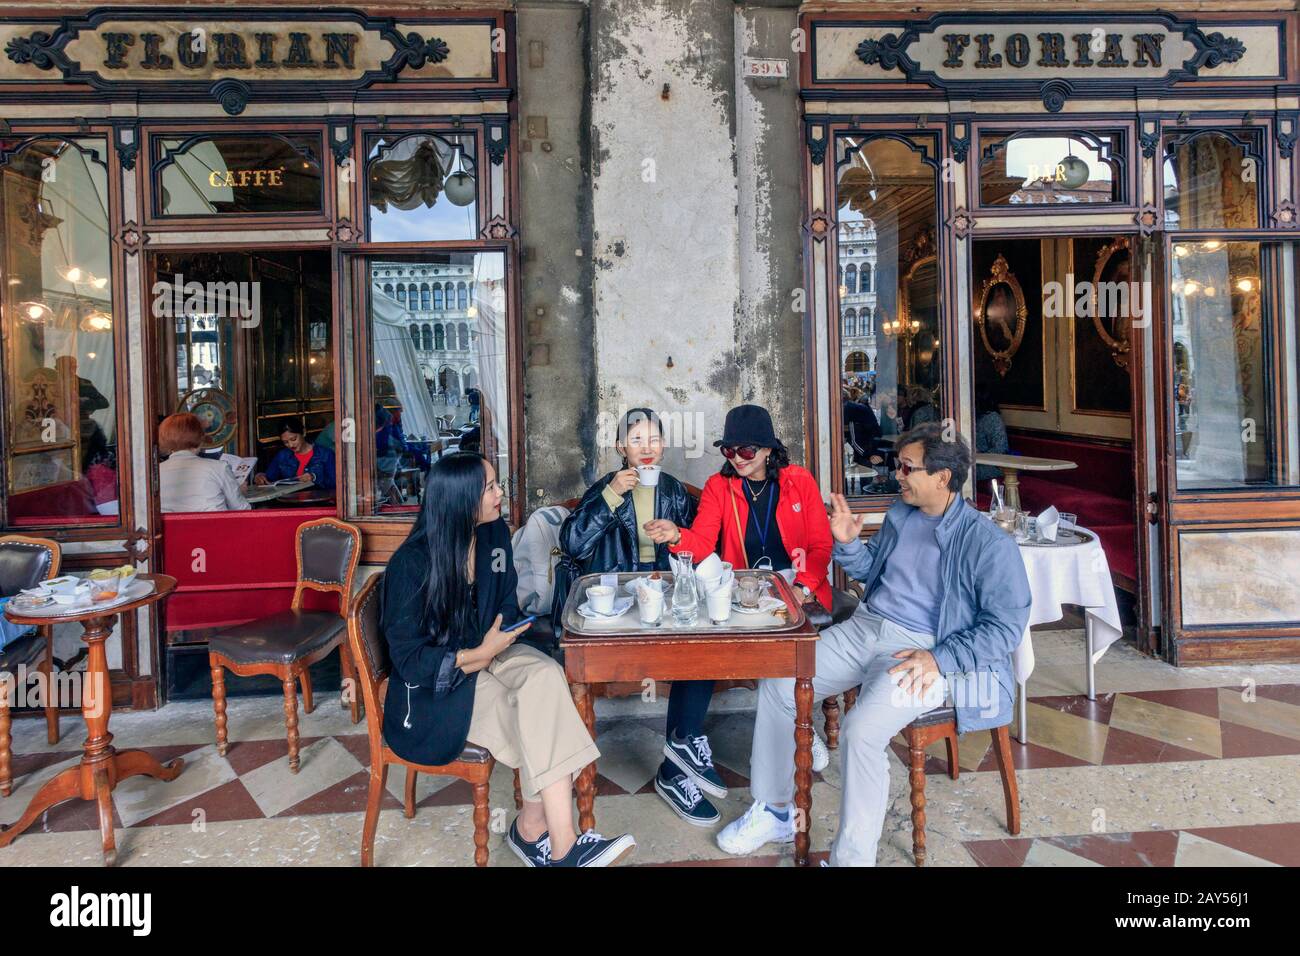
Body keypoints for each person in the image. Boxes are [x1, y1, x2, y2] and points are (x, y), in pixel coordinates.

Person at [715, 423, 1031, 865]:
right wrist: (846, 544)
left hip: (924, 652)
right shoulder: (902, 514)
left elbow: (1005, 627)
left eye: (907, 468)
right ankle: (775, 810)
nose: (897, 475)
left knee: (861, 732)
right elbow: (872, 573)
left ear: (942, 477)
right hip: (867, 627)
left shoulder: (987, 542)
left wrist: (941, 659)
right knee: (779, 683)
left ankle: (851, 861)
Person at [382, 452, 636, 867]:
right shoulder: (411, 565)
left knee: (547, 678)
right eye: (490, 488)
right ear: (461, 500)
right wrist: (475, 656)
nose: (501, 493)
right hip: (438, 685)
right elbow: (410, 660)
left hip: (492, 650)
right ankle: (563, 845)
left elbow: (505, 601)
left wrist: (499, 641)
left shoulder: (493, 534)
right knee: (530, 712)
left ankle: (532, 828)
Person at [644, 404, 836, 774]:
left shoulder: (799, 481)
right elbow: (702, 541)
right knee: (707, 646)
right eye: (729, 451)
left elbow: (820, 546)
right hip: (744, 586)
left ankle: (797, 727)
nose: (737, 458)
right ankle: (685, 749)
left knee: (780, 647)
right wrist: (676, 536)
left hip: (795, 582)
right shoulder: (721, 486)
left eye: (746, 451)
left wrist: (803, 587)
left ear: (768, 450)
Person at [557, 409, 712, 825]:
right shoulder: (604, 489)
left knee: (699, 656)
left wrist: (677, 537)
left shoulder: (675, 492)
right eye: (636, 440)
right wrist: (610, 496)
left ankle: (678, 766)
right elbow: (571, 543)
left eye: (653, 439)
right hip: (619, 607)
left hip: (663, 600)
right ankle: (570, 768)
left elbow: (700, 549)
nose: (646, 448)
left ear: (663, 446)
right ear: (621, 448)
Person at [157, 412, 251, 513]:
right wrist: (238, 491)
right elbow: (242, 509)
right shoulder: (218, 467)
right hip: (214, 527)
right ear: (200, 436)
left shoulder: (155, 473)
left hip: (172, 529)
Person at [255, 417, 335, 490]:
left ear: (303, 433)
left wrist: (314, 478)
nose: (290, 445)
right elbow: (269, 478)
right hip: (289, 501)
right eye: (285, 442)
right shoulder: (282, 456)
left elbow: (335, 483)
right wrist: (260, 477)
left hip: (320, 502)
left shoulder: (325, 454)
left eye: (293, 439)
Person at [974, 381, 1009, 484]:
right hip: (973, 462)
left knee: (962, 472)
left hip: (992, 465)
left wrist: (978, 454)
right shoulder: (971, 417)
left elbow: (1001, 449)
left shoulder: (992, 418)